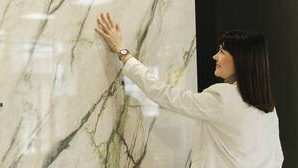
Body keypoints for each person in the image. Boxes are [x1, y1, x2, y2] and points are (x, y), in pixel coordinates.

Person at [94, 12, 284, 168]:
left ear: (240, 61)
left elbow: (164, 94)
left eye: (222, 52)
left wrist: (122, 51)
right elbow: (277, 159)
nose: (215, 56)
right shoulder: (268, 107)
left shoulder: (223, 98)